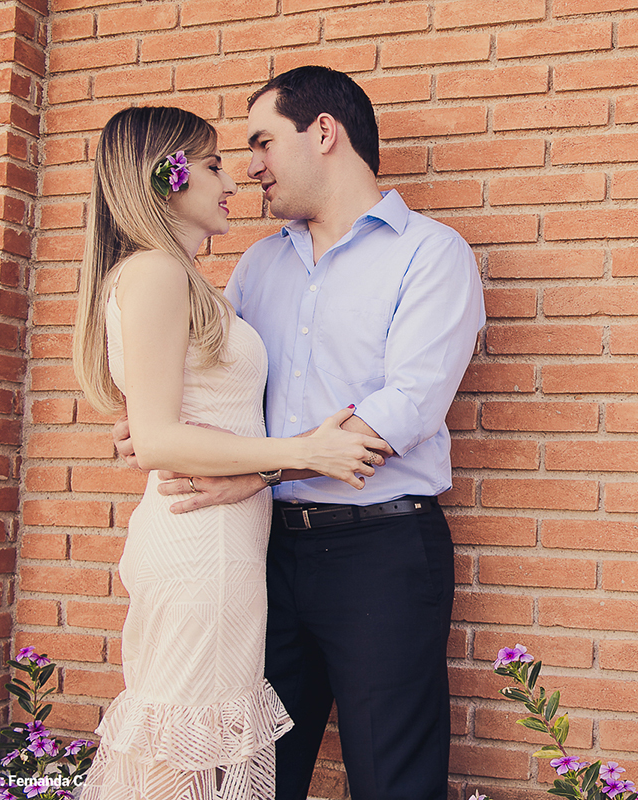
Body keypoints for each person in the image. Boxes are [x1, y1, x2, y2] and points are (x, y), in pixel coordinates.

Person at [120, 67, 486, 800]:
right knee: (253, 776)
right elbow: (216, 380)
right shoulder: (258, 264)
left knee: (392, 777)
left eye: (263, 142)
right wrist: (156, 426)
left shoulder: (431, 253)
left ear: (324, 133)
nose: (250, 166)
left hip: (379, 549)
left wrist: (257, 471)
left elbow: (406, 407)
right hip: (261, 553)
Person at [73, 106, 391, 800]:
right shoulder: (156, 272)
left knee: (197, 760)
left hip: (222, 546)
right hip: (201, 548)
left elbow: (168, 420)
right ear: (167, 178)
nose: (232, 182)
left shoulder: (180, 278)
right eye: (214, 165)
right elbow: (158, 438)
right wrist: (306, 451)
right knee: (176, 764)